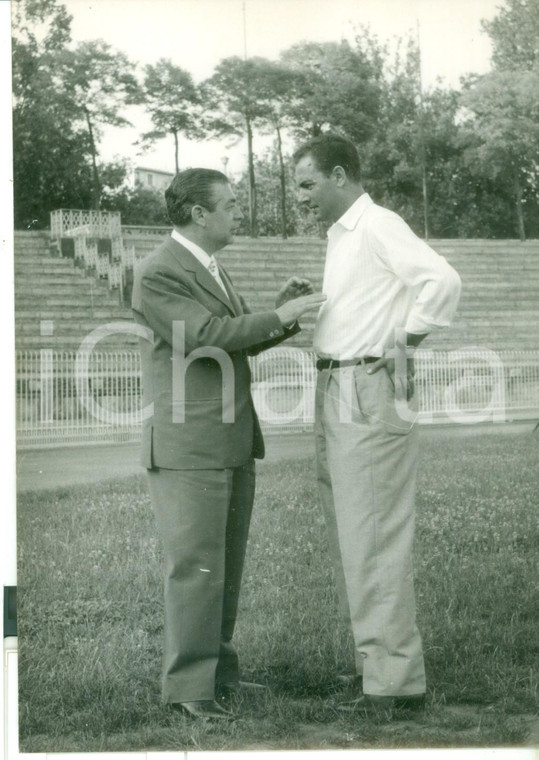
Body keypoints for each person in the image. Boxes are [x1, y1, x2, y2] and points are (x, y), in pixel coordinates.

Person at [132, 168, 325, 721]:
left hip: (229, 439)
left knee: (224, 566)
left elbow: (235, 335)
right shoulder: (159, 270)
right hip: (191, 445)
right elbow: (206, 338)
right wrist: (278, 316)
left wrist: (278, 315)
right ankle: (189, 689)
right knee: (196, 566)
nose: (240, 212)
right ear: (199, 213)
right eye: (232, 204)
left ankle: (217, 673)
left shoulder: (206, 266)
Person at [293, 133, 461, 715]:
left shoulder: (378, 224)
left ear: (341, 175)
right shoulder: (343, 237)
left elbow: (443, 279)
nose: (301, 198)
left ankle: (394, 685)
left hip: (367, 388)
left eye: (308, 184)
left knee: (374, 536)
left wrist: (406, 341)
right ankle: (377, 667)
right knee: (353, 533)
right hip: (337, 383)